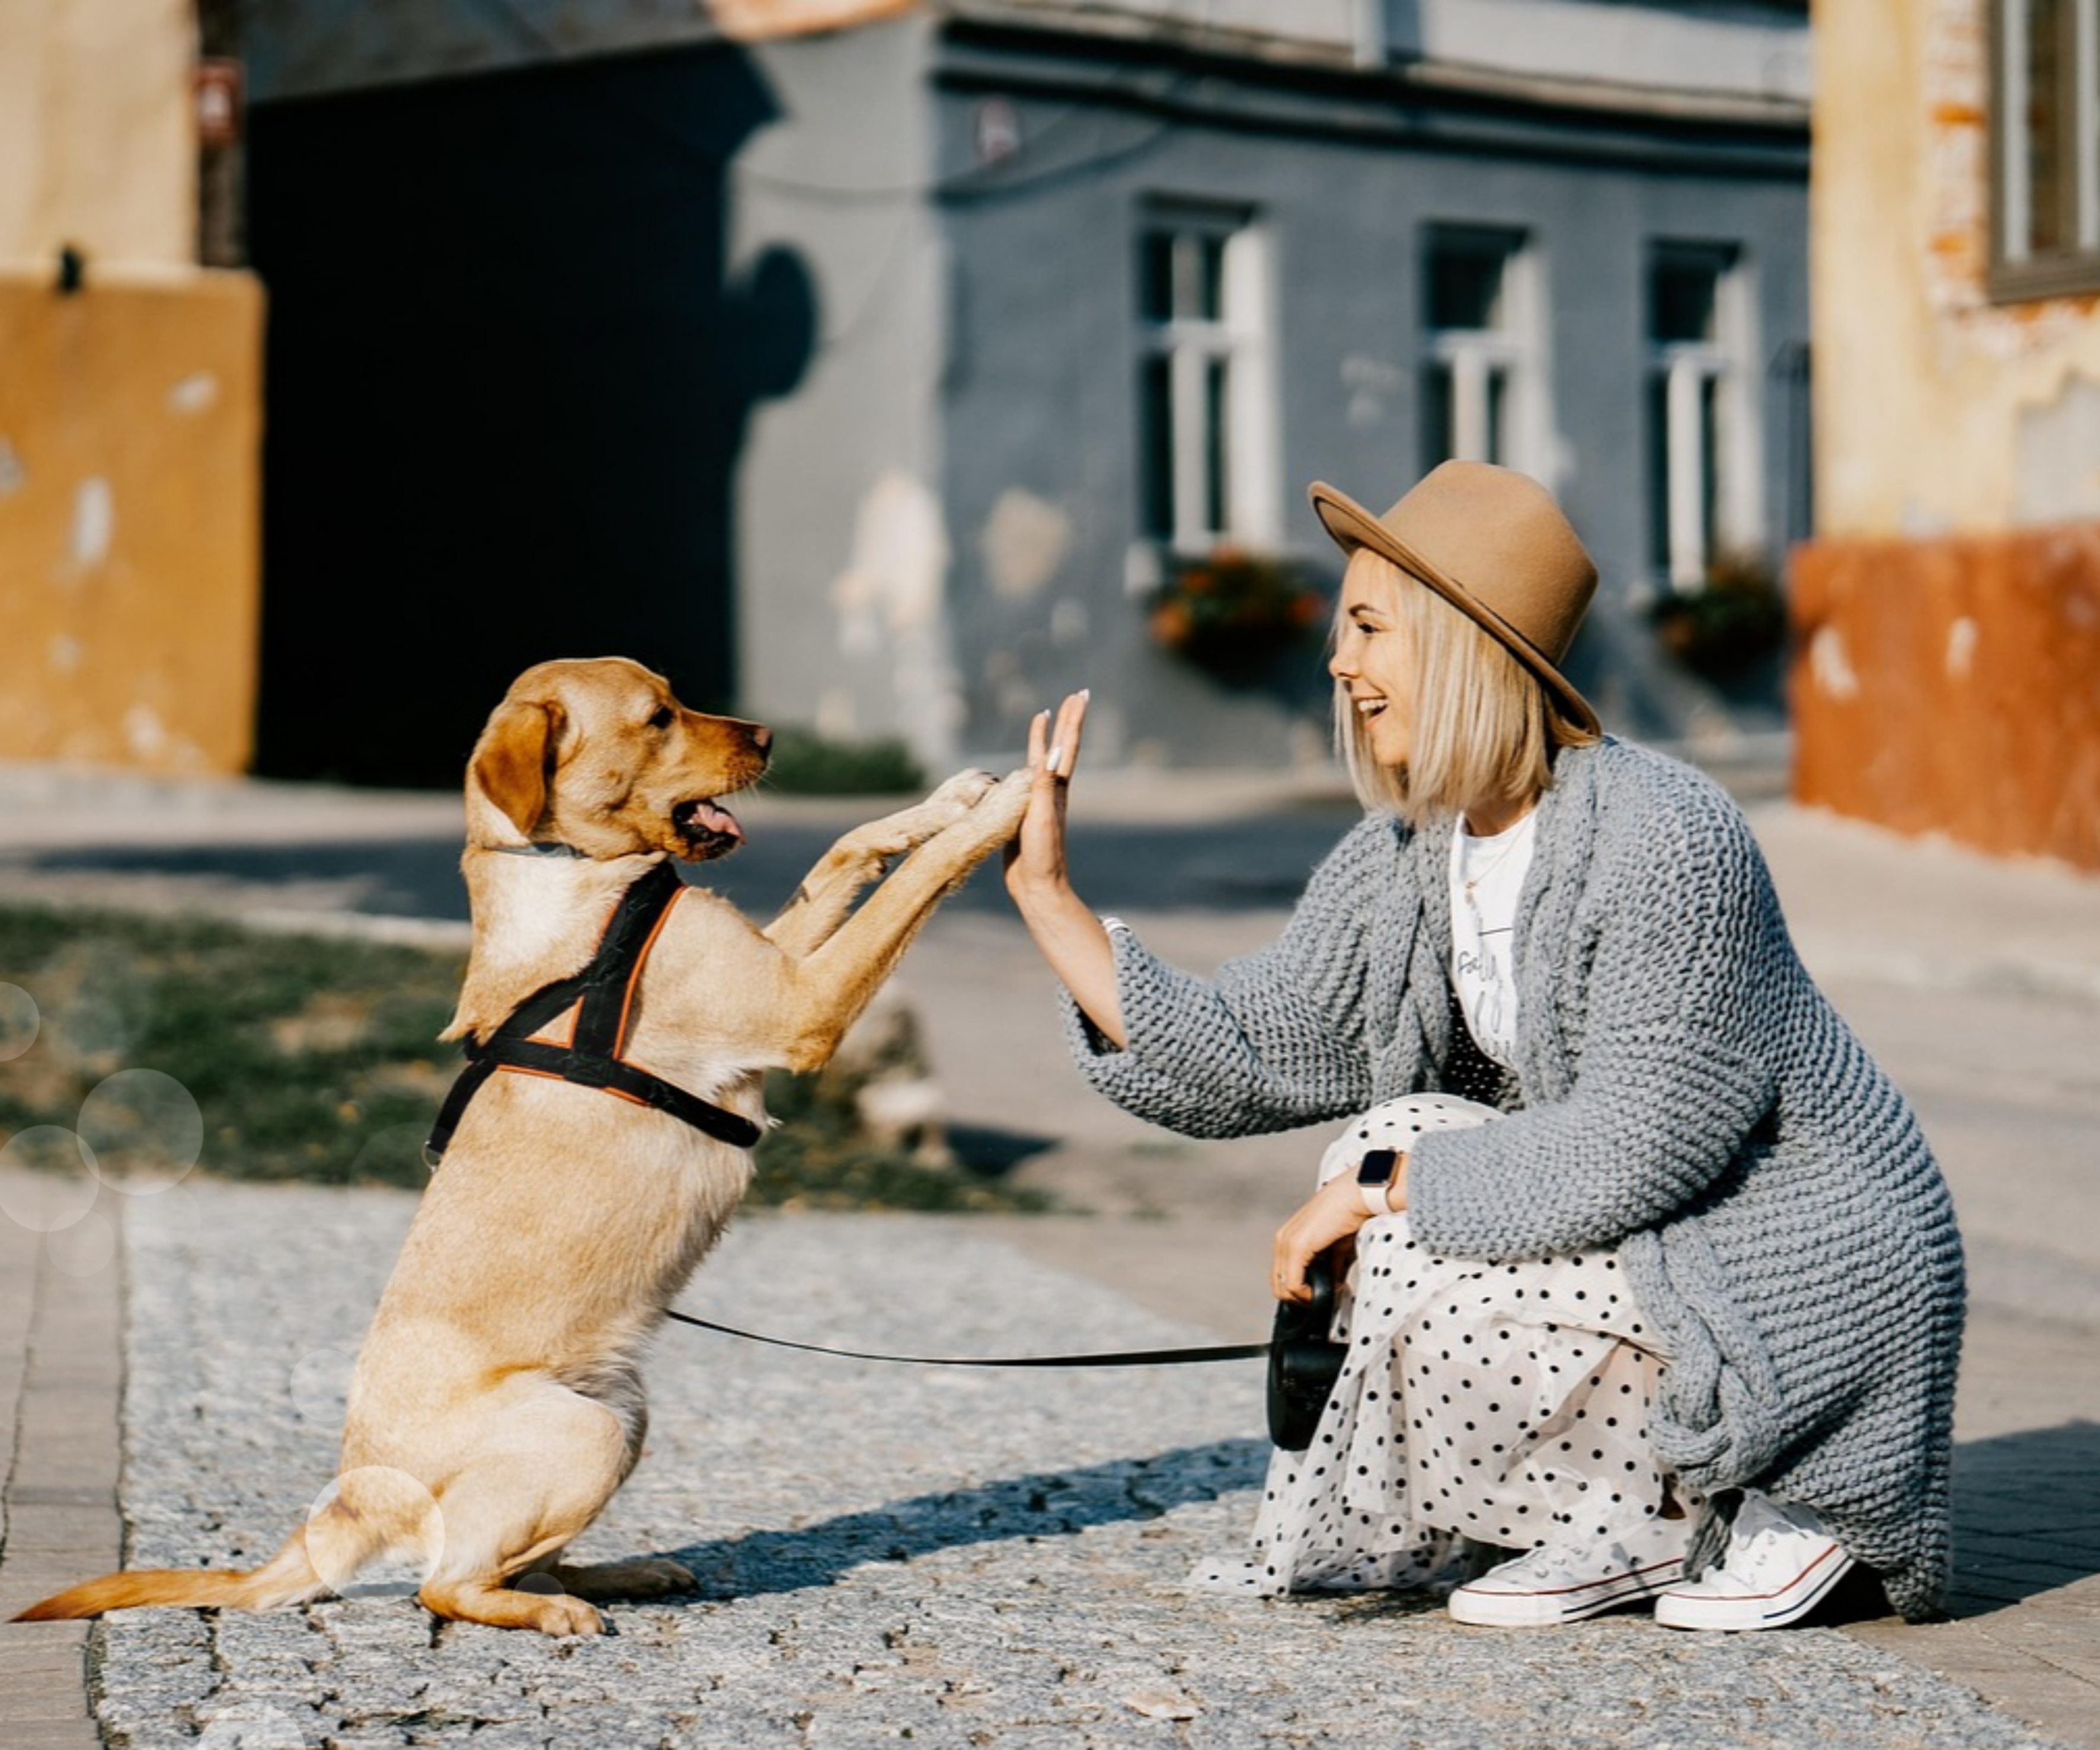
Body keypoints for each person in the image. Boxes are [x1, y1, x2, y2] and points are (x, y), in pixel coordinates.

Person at [1002, 461, 1964, 1630]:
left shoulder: (1667, 838)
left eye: (1366, 627)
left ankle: (1755, 1493)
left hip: (1797, 1267)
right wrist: (1049, 898)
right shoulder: (1410, 852)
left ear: (1460, 642)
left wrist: (1377, 1193)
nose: (1336, 663)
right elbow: (1255, 1045)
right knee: (1387, 1142)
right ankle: (1613, 1517)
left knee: (1391, 1181)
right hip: (1655, 1248)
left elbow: (1635, 1147)